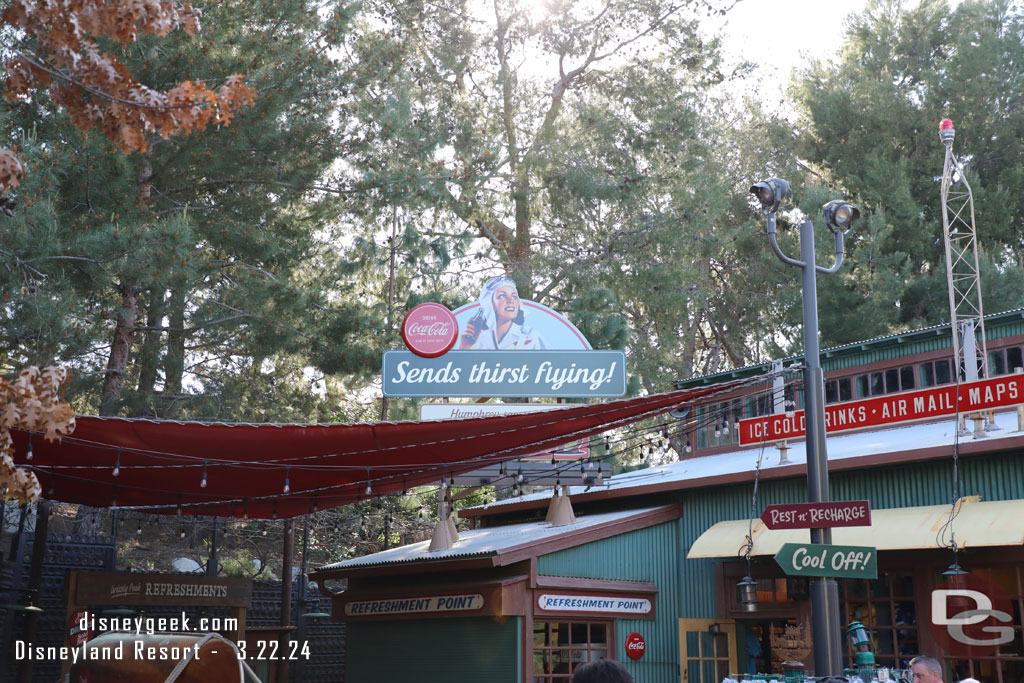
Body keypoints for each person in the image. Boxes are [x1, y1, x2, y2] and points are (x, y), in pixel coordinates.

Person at [459, 276, 547, 350]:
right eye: (502, 296)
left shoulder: (531, 336)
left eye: (514, 297)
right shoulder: (478, 339)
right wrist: (465, 346)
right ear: (490, 304)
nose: (510, 301)